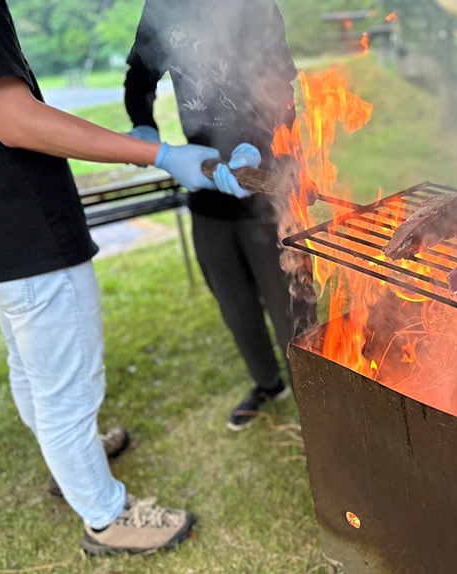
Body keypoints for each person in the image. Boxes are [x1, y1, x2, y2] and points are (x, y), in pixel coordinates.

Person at [0, 0, 246, 555]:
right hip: (26, 232)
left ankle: (74, 463)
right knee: (68, 390)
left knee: (34, 368)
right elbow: (11, 118)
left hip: (1, 240)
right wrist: (154, 151)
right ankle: (106, 516)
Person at [123, 0, 316, 432]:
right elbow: (140, 74)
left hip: (268, 180)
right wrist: (144, 124)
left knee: (291, 303)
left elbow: (280, 88)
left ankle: (315, 391)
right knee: (234, 301)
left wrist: (255, 148)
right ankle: (268, 384)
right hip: (207, 182)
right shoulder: (163, 7)